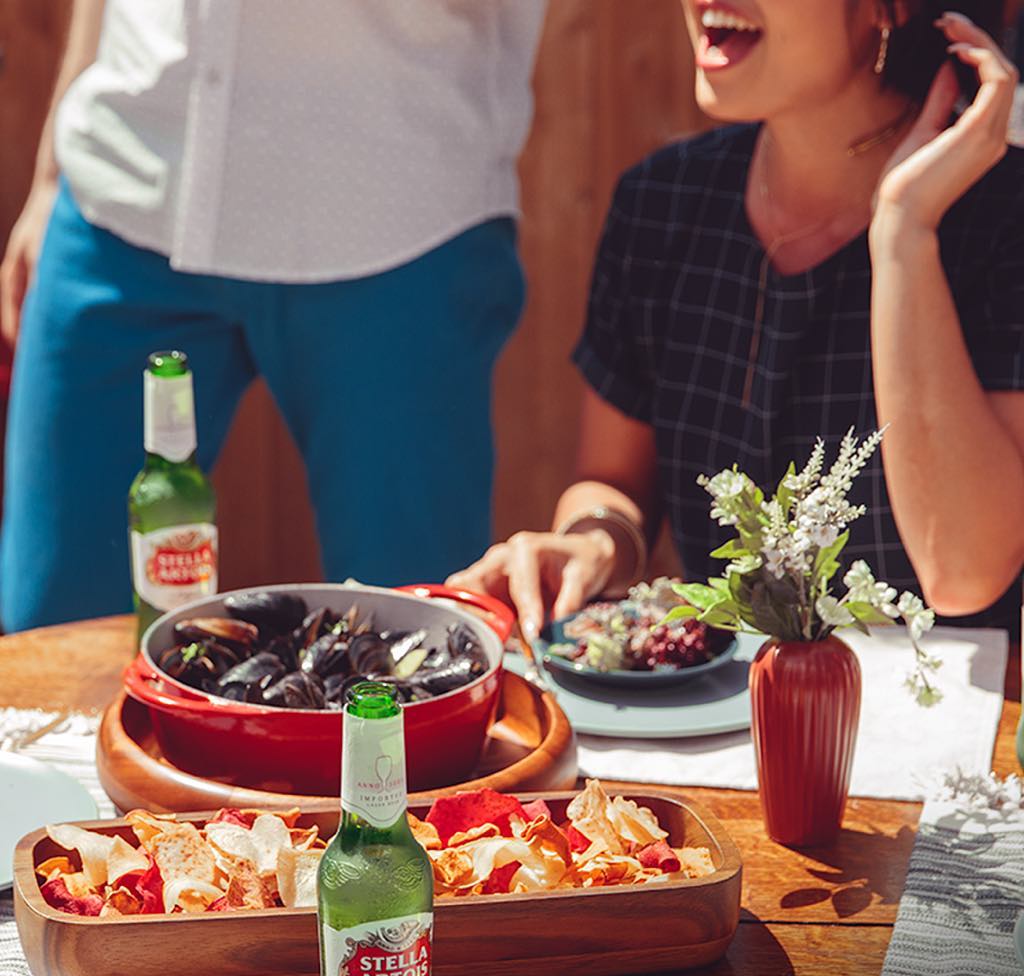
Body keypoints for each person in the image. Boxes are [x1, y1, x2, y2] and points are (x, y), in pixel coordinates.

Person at [450, 0, 1024, 640]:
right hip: (723, 719)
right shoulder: (661, 202)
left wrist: (903, 233)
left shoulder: (1006, 220)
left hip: (964, 723)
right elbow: (612, 483)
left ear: (884, 9)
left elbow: (966, 573)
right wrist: (595, 540)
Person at [0, 0, 546, 631]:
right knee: (50, 642)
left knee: (414, 652)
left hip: (396, 220)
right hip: (125, 189)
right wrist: (50, 174)